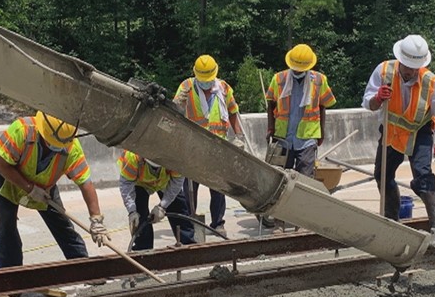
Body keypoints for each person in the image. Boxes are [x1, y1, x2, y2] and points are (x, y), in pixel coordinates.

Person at [362, 34, 435, 248]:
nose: (411, 71)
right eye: (408, 66)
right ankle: (391, 221)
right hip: (392, 131)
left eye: (415, 67)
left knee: (423, 177)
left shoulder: (430, 82)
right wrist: (377, 98)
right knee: (382, 175)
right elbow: (368, 103)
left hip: (418, 132)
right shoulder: (384, 71)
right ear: (400, 60)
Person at [0, 111, 109, 268]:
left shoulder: (71, 146)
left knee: (61, 224)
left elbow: (85, 182)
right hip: (8, 178)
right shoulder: (22, 130)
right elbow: (1, 165)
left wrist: (96, 220)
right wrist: (30, 188)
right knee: (7, 224)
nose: (55, 148)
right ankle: (12, 276)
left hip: (45, 185)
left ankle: (82, 267)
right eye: (52, 143)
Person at [173, 54, 246, 234]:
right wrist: (176, 104)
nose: (205, 82)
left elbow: (233, 111)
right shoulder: (186, 87)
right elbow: (175, 113)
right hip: (193, 146)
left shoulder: (223, 88)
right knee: (190, 187)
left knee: (218, 187)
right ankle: (190, 221)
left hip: (217, 147)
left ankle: (218, 223)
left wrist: (239, 136)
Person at [264, 43, 337, 179]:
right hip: (283, 137)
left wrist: (321, 132)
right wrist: (270, 128)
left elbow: (322, 106)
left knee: (305, 179)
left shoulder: (319, 80)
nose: (297, 71)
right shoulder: (279, 79)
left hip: (307, 138)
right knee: (279, 178)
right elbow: (271, 104)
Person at [117, 150, 195, 251]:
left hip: (165, 182)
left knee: (178, 208)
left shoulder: (175, 156)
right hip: (140, 183)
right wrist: (132, 211)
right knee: (140, 215)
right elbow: (126, 186)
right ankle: (143, 249)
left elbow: (177, 182)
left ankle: (188, 244)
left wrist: (163, 206)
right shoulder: (132, 157)